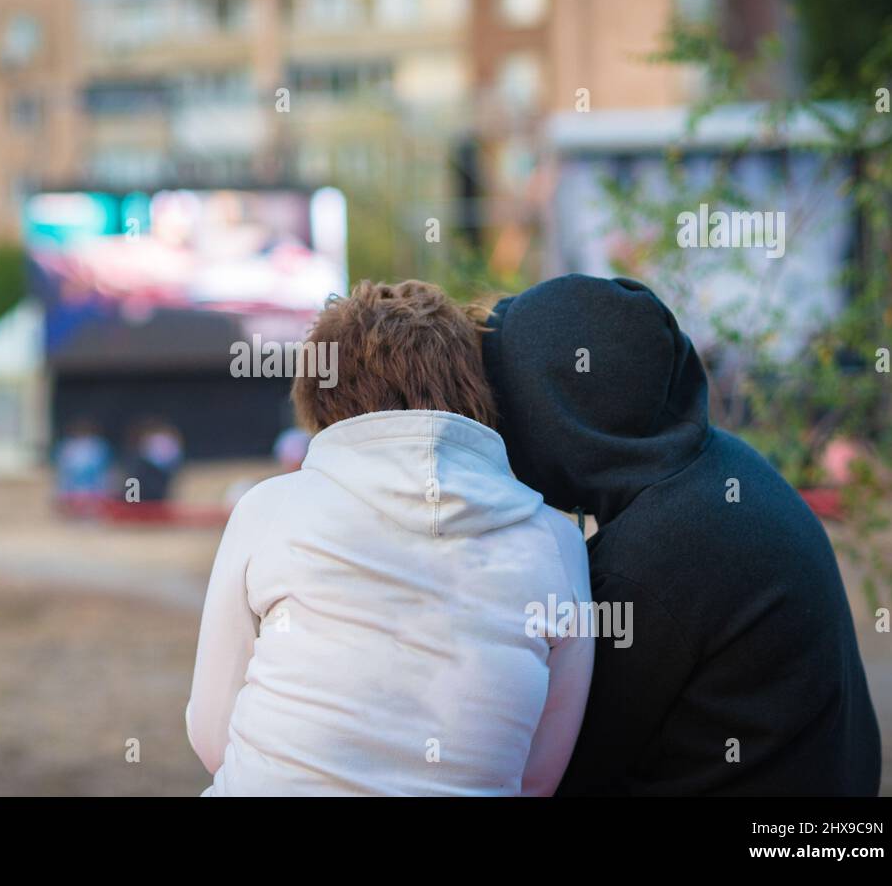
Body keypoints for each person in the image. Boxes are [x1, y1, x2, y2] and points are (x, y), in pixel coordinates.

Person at [479, 274, 881, 795]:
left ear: (555, 416)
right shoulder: (725, 467)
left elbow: (556, 773)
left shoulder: (653, 560)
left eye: (505, 400)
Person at [186, 280, 592, 795]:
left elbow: (212, 738)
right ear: (477, 387)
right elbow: (538, 773)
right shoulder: (557, 541)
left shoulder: (267, 510)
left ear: (320, 392)